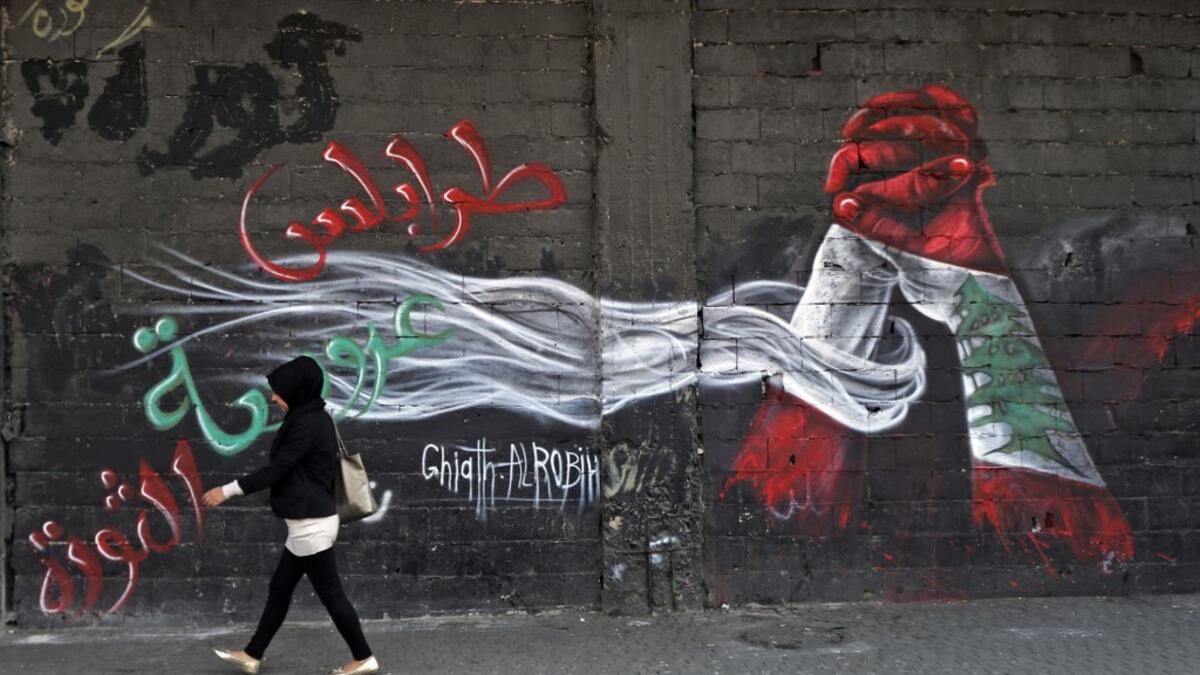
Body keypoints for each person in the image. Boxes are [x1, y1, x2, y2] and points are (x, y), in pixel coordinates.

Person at [202, 355, 379, 675]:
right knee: (280, 588)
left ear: (297, 391)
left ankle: (363, 656)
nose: (273, 397)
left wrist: (226, 491)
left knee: (331, 594)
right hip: (306, 525)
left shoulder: (307, 424)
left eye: (278, 391)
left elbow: (277, 470)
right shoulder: (312, 418)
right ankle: (252, 654)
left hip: (312, 525)